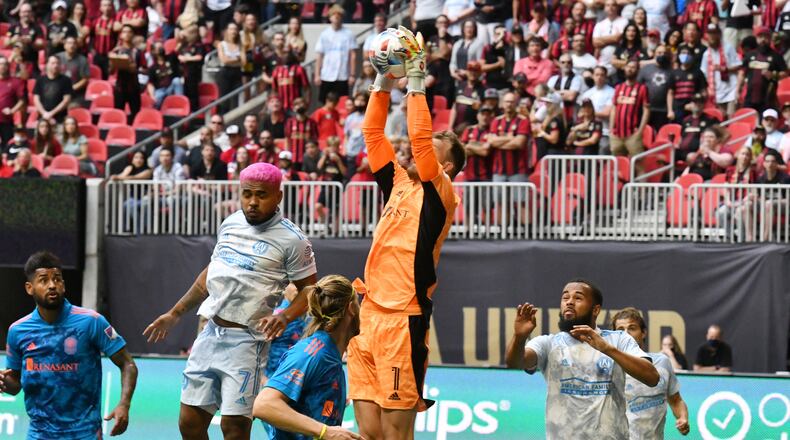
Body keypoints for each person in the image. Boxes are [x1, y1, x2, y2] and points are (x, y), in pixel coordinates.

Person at [144, 162, 318, 440]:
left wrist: (285, 316)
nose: (252, 202)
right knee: (189, 422)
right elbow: (212, 273)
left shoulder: (293, 240)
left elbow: (311, 291)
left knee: (234, 428)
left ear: (278, 197)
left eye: (261, 195)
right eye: (247, 194)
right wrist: (175, 313)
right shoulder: (231, 223)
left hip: (248, 341)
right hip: (210, 333)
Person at [348, 27, 465, 440]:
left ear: (446, 166)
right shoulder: (399, 183)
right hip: (369, 314)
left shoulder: (442, 193)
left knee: (397, 436)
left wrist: (415, 81)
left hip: (404, 318)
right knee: (369, 434)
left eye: (435, 151)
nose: (422, 153)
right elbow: (374, 135)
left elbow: (418, 142)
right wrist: (382, 82)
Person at [1, 251, 138, 439]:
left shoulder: (91, 321)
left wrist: (124, 404)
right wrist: (4, 383)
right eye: (43, 280)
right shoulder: (18, 331)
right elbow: (15, 385)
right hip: (39, 433)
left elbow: (128, 364)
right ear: (29, 288)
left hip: (84, 433)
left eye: (57, 279)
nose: (52, 285)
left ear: (63, 285)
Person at [504, 279, 659, 439]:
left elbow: (652, 377)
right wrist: (520, 337)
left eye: (578, 298)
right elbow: (514, 363)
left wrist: (606, 348)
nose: (569, 302)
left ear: (595, 309)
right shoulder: (548, 343)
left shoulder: (618, 339)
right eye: (565, 298)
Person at [253, 276, 361, 440]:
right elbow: (263, 405)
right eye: (358, 303)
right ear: (351, 308)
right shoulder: (313, 353)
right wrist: (325, 431)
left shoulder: (330, 354)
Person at [611, 308, 691, 438]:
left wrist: (683, 417)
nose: (626, 334)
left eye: (632, 328)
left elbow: (676, 400)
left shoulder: (662, 362)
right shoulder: (608, 366)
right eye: (620, 330)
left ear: (643, 333)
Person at [738, 27, 788, 113]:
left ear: (770, 38)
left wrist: (773, 75)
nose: (763, 40)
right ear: (756, 38)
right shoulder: (750, 55)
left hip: (767, 99)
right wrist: (738, 89)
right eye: (760, 37)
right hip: (749, 98)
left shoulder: (776, 56)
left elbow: (786, 73)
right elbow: (742, 72)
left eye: (766, 37)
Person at [610, 60, 650, 168]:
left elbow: (646, 110)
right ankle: (619, 185)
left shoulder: (642, 88)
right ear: (624, 68)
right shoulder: (618, 88)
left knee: (639, 164)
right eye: (628, 66)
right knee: (618, 165)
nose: (630, 69)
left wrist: (641, 130)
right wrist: (610, 130)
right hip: (616, 133)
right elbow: (614, 108)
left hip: (633, 133)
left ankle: (641, 185)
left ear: (637, 71)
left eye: (633, 67)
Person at [314, 5, 358, 102]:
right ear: (330, 17)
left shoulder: (348, 34)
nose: (336, 17)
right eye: (334, 15)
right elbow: (319, 55)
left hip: (342, 74)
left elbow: (353, 55)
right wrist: (317, 75)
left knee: (342, 102)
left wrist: (352, 74)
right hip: (326, 74)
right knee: (325, 101)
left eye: (339, 15)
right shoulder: (324, 34)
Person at [700, 23, 739, 118]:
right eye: (710, 34)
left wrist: (725, 69)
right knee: (720, 118)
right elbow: (703, 73)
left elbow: (738, 66)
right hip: (716, 91)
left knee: (731, 117)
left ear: (719, 34)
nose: (712, 36)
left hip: (731, 90)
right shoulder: (706, 54)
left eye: (714, 33)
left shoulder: (728, 48)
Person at [489, 91, 530, 180]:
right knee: (497, 195)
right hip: (498, 171)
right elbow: (491, 142)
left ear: (516, 104)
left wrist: (499, 141)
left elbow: (519, 143)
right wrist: (510, 138)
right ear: (502, 103)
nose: (509, 104)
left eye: (512, 102)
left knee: (518, 195)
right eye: (507, 101)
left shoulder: (523, 121)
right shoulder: (496, 121)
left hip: (519, 171)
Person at [109, 25, 144, 117]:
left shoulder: (138, 52)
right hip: (120, 87)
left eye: (129, 32)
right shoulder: (116, 51)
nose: (127, 34)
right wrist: (113, 63)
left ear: (133, 35)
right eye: (124, 32)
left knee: (136, 114)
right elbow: (110, 71)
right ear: (121, 35)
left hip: (134, 87)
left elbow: (144, 69)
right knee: (118, 114)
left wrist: (135, 69)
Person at [667, 46, 708, 123]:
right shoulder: (673, 73)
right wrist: (670, 110)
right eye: (683, 53)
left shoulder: (698, 73)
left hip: (692, 108)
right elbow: (670, 93)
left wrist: (698, 105)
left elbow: (703, 91)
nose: (685, 55)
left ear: (692, 56)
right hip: (677, 109)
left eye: (688, 53)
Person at [581, 66, 615, 154]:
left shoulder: (612, 92)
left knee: (603, 148)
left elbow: (606, 113)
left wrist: (588, 113)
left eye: (602, 75)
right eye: (597, 75)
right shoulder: (587, 94)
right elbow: (581, 113)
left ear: (606, 77)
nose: (599, 77)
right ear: (592, 76)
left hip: (605, 131)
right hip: (588, 130)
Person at [637, 44, 673, 128]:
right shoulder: (646, 69)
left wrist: (670, 110)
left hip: (662, 110)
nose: (662, 55)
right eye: (659, 53)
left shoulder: (671, 70)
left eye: (664, 53)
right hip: (646, 109)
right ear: (654, 54)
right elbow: (638, 87)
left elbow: (671, 91)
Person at [592, 0, 628, 76]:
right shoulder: (600, 24)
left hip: (619, 61)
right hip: (603, 62)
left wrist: (601, 39)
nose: (610, 8)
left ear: (617, 7)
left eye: (613, 5)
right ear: (604, 8)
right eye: (608, 5)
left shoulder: (624, 21)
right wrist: (613, 38)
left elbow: (618, 38)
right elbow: (595, 42)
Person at [34, 56, 72, 125]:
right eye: (53, 63)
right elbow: (36, 99)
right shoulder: (40, 80)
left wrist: (51, 114)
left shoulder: (66, 80)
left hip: (60, 119)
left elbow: (66, 100)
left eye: (58, 63)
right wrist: (45, 114)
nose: (55, 66)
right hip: (42, 119)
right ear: (47, 65)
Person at [217, 22, 245, 115]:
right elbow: (224, 60)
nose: (233, 31)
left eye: (235, 29)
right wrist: (237, 58)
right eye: (231, 29)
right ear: (227, 31)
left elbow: (244, 62)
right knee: (224, 98)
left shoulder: (240, 45)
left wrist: (231, 60)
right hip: (225, 72)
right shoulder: (222, 44)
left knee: (235, 98)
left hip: (237, 73)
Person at [461, 105, 494, 181]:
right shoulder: (469, 130)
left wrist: (469, 146)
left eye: (488, 115)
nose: (485, 117)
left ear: (491, 118)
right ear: (477, 116)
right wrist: (480, 146)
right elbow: (462, 151)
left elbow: (485, 152)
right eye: (482, 114)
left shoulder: (492, 131)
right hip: (468, 176)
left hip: (486, 176)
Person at [285, 97, 319, 171]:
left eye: (302, 103)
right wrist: (287, 154)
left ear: (306, 106)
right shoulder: (290, 122)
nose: (300, 105)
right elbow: (287, 139)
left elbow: (315, 140)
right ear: (293, 108)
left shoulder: (312, 122)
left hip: (308, 158)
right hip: (294, 158)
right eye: (297, 104)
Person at [55, 36, 90, 106]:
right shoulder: (57, 58)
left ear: (77, 46)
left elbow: (85, 79)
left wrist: (71, 89)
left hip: (75, 94)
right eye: (69, 43)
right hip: (58, 93)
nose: (71, 45)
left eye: (74, 43)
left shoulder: (82, 60)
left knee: (72, 107)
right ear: (64, 45)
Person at [148, 44, 184, 109]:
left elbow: (179, 45)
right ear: (153, 51)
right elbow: (150, 84)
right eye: (158, 48)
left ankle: (180, 103)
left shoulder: (171, 58)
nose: (161, 48)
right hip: (160, 90)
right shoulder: (152, 68)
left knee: (177, 80)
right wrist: (152, 96)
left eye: (161, 47)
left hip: (171, 88)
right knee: (158, 97)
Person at [0, 56, 24, 150]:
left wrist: (12, 110)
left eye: (5, 64)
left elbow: (22, 100)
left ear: (8, 66)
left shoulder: (15, 82)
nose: (2, 66)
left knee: (7, 147)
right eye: (0, 64)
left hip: (6, 121)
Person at [91, 0, 116, 80]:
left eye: (109, 5)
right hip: (97, 55)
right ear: (101, 8)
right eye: (104, 5)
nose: (107, 8)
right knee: (96, 77)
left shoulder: (115, 22)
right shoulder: (95, 22)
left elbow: (118, 39)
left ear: (112, 7)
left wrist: (115, 51)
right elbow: (91, 37)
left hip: (110, 56)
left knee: (107, 77)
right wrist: (91, 49)